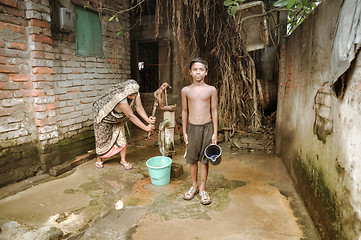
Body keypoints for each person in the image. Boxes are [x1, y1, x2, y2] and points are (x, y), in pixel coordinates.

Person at [92, 79, 155, 170]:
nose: (133, 97)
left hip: (118, 117)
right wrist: (145, 128)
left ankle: (123, 160)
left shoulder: (135, 92)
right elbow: (130, 116)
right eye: (131, 95)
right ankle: (99, 159)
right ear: (126, 92)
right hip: (104, 117)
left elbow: (139, 107)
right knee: (102, 139)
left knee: (121, 137)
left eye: (135, 95)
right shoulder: (120, 96)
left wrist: (147, 120)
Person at [181, 57, 218, 205]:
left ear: (206, 72)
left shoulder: (211, 90)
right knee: (192, 159)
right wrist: (184, 131)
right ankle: (194, 186)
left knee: (205, 159)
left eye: (201, 69)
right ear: (190, 72)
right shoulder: (186, 90)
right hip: (192, 127)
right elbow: (184, 111)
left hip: (207, 127)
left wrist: (215, 132)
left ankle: (203, 188)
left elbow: (214, 110)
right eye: (195, 69)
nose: (198, 72)